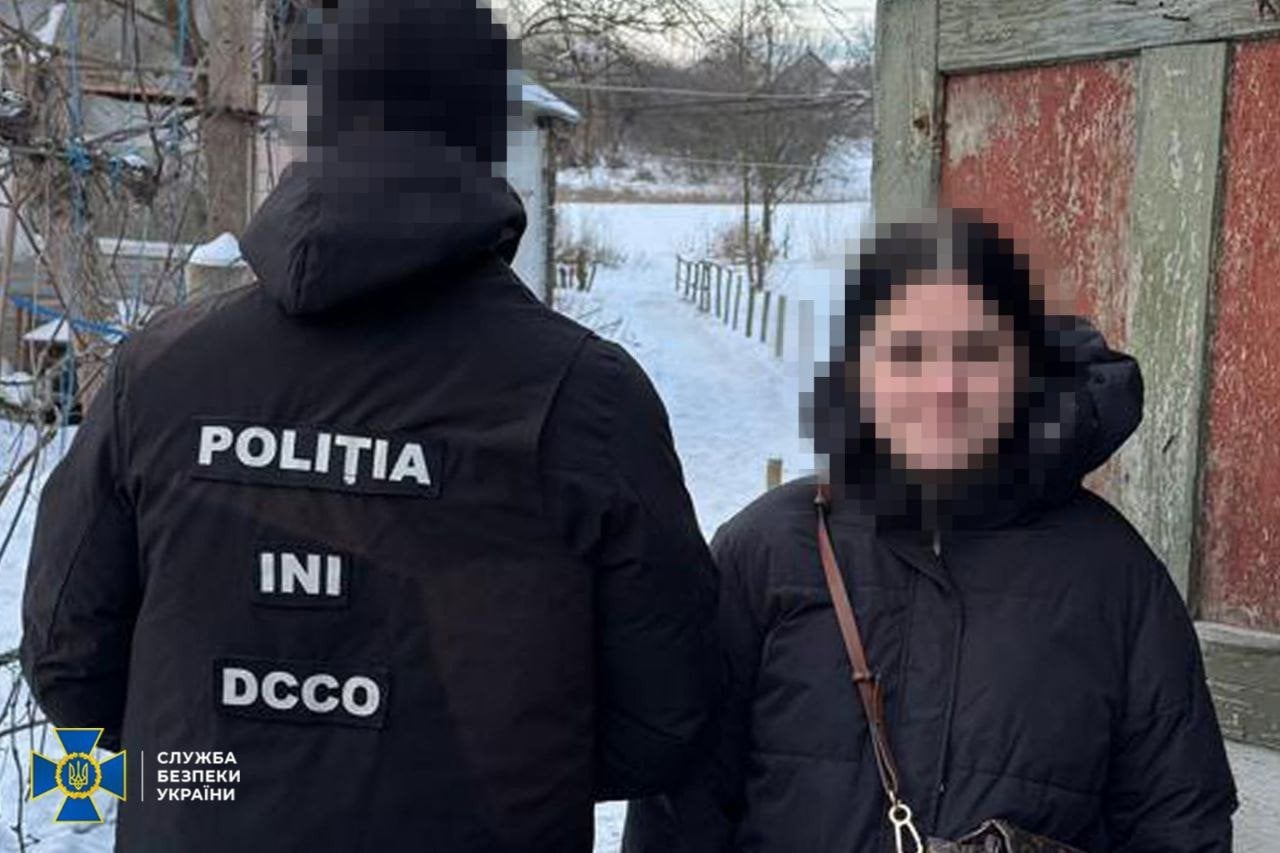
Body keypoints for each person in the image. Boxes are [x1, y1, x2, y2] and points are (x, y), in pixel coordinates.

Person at [20, 2, 717, 850]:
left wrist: (221, 765)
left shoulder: (162, 368)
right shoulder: (584, 395)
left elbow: (69, 660)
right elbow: (667, 711)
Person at [623, 212, 1237, 852]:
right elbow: (678, 816)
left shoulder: (1115, 578)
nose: (945, 387)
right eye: (909, 353)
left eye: (977, 352)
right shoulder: (769, 549)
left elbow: (1180, 823)